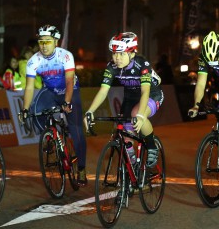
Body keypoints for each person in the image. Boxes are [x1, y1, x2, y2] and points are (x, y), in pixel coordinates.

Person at [19, 25, 88, 185]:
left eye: (48, 41)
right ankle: (50, 137)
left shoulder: (65, 56)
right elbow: (29, 87)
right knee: (35, 110)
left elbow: (69, 81)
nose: (44, 45)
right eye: (41, 42)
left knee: (76, 130)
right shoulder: (34, 60)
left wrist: (67, 102)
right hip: (50, 92)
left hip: (70, 91)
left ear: (56, 41)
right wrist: (25, 109)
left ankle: (81, 168)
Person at [84, 32, 164, 168]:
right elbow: (103, 91)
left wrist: (140, 115)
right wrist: (90, 111)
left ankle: (152, 147)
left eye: (121, 54)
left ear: (132, 54)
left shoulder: (142, 64)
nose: (117, 58)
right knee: (125, 132)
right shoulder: (112, 66)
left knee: (136, 114)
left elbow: (145, 91)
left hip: (152, 94)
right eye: (114, 54)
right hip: (131, 98)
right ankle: (132, 167)